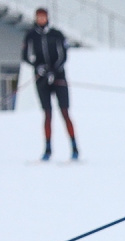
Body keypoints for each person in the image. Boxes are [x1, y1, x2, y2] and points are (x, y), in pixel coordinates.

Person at [22, 7, 76, 161]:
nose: (41, 19)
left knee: (65, 112)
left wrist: (54, 70)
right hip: (41, 78)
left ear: (47, 17)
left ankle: (74, 147)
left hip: (58, 77)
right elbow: (26, 56)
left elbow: (63, 55)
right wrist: (39, 68)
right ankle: (48, 148)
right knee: (47, 113)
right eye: (39, 17)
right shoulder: (31, 35)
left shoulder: (56, 34)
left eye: (43, 17)